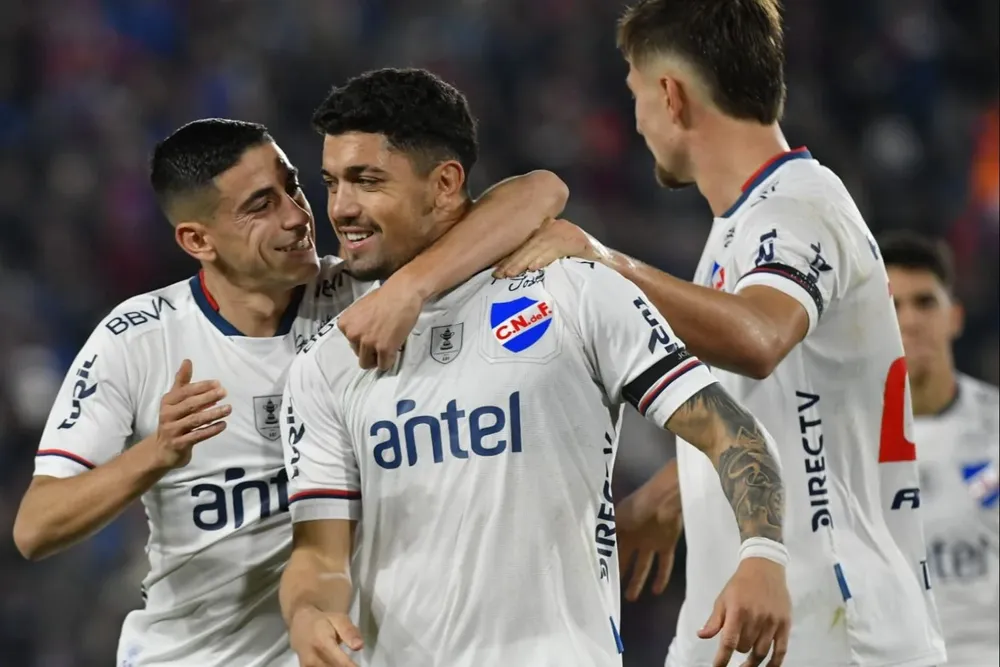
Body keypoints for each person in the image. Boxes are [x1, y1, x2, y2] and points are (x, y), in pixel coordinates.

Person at [279, 67, 790, 667]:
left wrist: (763, 556)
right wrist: (309, 613)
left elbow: (731, 432)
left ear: (444, 183)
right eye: (332, 182)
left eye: (367, 181)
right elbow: (318, 554)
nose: (341, 208)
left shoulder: (572, 291)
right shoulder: (326, 363)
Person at [487, 1, 948, 665]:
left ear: (671, 96)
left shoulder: (794, 211)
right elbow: (802, 406)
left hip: (833, 623)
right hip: (773, 615)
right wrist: (682, 487)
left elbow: (761, 338)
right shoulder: (750, 223)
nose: (636, 121)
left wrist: (601, 259)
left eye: (637, 96)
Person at [12, 117, 569, 667]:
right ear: (197, 239)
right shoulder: (138, 339)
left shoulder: (363, 294)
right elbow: (36, 527)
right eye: (261, 205)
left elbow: (540, 190)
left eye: (293, 186)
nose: (298, 216)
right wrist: (155, 454)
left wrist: (412, 286)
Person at [881, 232, 999, 665]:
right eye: (893, 306)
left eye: (925, 302)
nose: (910, 321)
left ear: (955, 317)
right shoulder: (838, 446)